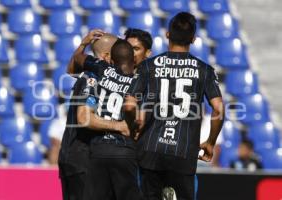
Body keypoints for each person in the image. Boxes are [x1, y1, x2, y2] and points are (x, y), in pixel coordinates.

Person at [125, 12, 225, 200]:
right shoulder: (204, 70)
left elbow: (129, 105)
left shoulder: (149, 66)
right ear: (194, 39)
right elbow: (219, 109)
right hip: (184, 152)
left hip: (150, 151)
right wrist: (210, 142)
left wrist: (133, 129)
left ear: (167, 34)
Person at [71, 39, 143, 200]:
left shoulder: (101, 69)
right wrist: (123, 126)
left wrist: (83, 44)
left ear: (111, 60)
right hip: (126, 151)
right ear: (134, 60)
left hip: (99, 149)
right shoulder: (140, 81)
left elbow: (78, 57)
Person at [58, 30, 120, 200]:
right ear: (108, 56)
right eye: (119, 52)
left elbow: (71, 69)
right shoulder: (96, 77)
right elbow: (84, 118)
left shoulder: (89, 71)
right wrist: (119, 126)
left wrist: (83, 44)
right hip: (83, 158)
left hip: (70, 155)